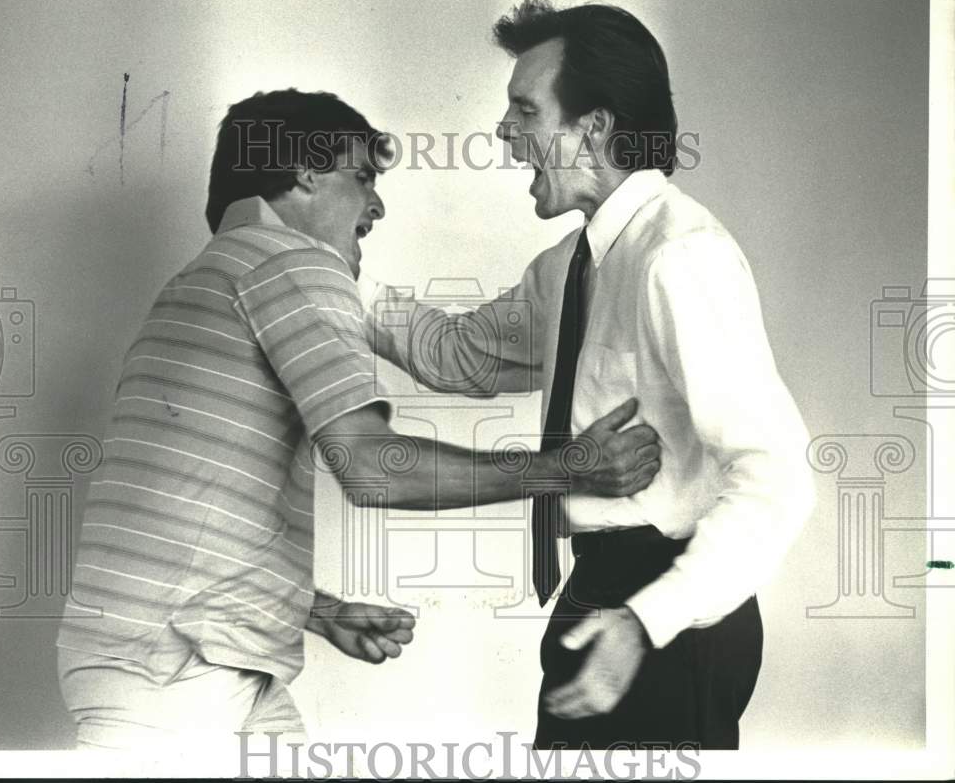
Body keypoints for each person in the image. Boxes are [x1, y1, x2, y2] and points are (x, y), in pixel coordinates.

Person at [56, 87, 662, 756]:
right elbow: (373, 467)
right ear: (307, 171)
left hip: (185, 660)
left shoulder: (205, 279)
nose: (377, 205)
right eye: (364, 177)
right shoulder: (290, 263)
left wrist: (310, 608)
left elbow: (185, 507)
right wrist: (563, 468)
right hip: (175, 675)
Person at [365, 0, 815, 749]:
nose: (504, 132)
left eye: (524, 110)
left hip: (664, 615)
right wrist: (319, 275)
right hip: (598, 593)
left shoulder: (680, 258)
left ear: (595, 127)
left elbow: (780, 480)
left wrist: (646, 623)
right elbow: (462, 355)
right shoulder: (569, 269)